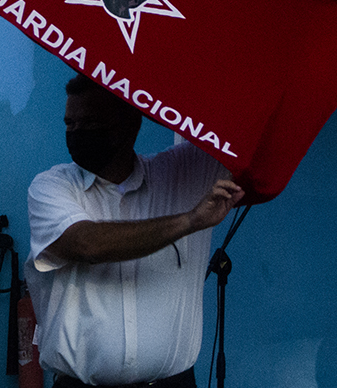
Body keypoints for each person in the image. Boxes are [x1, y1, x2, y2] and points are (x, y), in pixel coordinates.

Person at [25, 74, 244, 388]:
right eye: (69, 124)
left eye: (89, 123)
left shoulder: (185, 174)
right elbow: (86, 243)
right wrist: (189, 221)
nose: (76, 134)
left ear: (130, 125)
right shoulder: (52, 186)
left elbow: (239, 128)